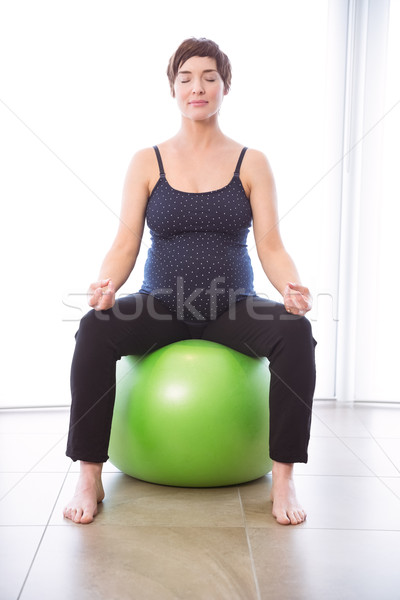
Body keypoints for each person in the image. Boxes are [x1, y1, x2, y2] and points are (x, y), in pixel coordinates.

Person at [63, 37, 316, 526]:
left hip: (232, 306)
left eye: (208, 78)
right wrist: (105, 285)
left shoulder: (252, 162)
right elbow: (125, 242)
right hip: (162, 304)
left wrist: (291, 288)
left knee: (295, 333)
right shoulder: (147, 161)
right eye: (186, 78)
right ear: (172, 88)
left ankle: (284, 477)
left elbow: (271, 246)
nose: (196, 87)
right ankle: (88, 472)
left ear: (224, 87)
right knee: (94, 328)